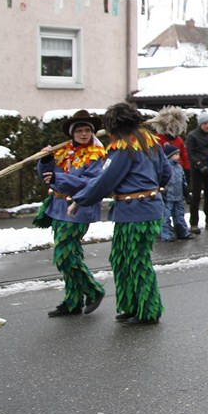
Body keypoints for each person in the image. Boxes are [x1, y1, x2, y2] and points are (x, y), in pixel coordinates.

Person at [68, 102, 171, 326]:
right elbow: (166, 172)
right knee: (122, 259)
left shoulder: (123, 148)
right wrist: (152, 186)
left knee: (136, 260)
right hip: (145, 208)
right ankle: (131, 305)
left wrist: (80, 200)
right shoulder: (150, 142)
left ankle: (148, 311)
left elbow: (105, 181)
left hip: (135, 211)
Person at [35, 110, 107, 317]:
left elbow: (90, 183)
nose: (84, 134)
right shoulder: (64, 151)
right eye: (80, 130)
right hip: (57, 208)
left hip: (78, 209)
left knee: (63, 256)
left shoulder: (97, 155)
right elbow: (46, 178)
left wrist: (58, 179)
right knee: (71, 254)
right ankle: (73, 301)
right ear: (72, 133)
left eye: (87, 130)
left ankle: (93, 290)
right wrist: (46, 161)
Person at [185, 111, 208, 232]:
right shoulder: (192, 136)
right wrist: (199, 164)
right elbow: (190, 153)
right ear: (200, 124)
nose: (207, 126)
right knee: (196, 196)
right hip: (197, 169)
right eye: (204, 124)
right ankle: (194, 223)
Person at [158, 144, 193, 242]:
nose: (178, 156)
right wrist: (162, 191)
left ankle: (182, 232)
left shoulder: (179, 167)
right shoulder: (165, 167)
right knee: (166, 216)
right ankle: (166, 234)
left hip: (178, 195)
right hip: (168, 195)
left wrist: (186, 192)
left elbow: (183, 180)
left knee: (179, 215)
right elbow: (161, 179)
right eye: (176, 154)